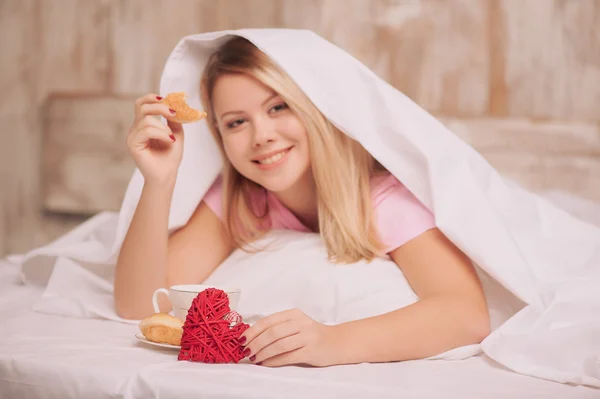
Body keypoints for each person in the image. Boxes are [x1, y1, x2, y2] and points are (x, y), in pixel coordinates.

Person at [114, 36, 490, 367]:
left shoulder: (386, 199)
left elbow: (465, 314)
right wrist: (158, 182)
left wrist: (332, 342)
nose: (261, 135)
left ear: (318, 109)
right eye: (236, 122)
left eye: (278, 107)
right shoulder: (244, 201)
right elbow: (139, 305)